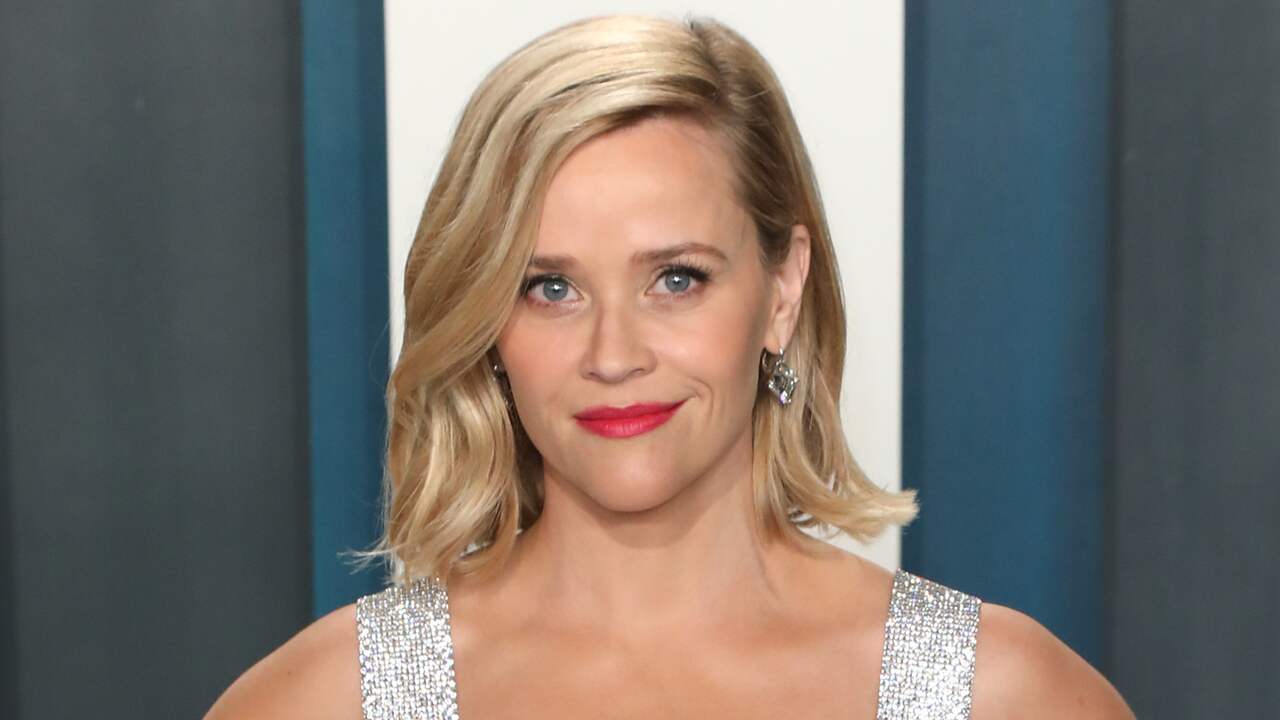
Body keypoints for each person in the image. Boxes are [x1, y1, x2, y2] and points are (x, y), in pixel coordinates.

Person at [205, 13, 1133, 719]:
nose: (614, 356)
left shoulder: (996, 696)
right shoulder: (327, 702)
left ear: (782, 289)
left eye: (677, 279)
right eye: (550, 288)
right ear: (486, 322)